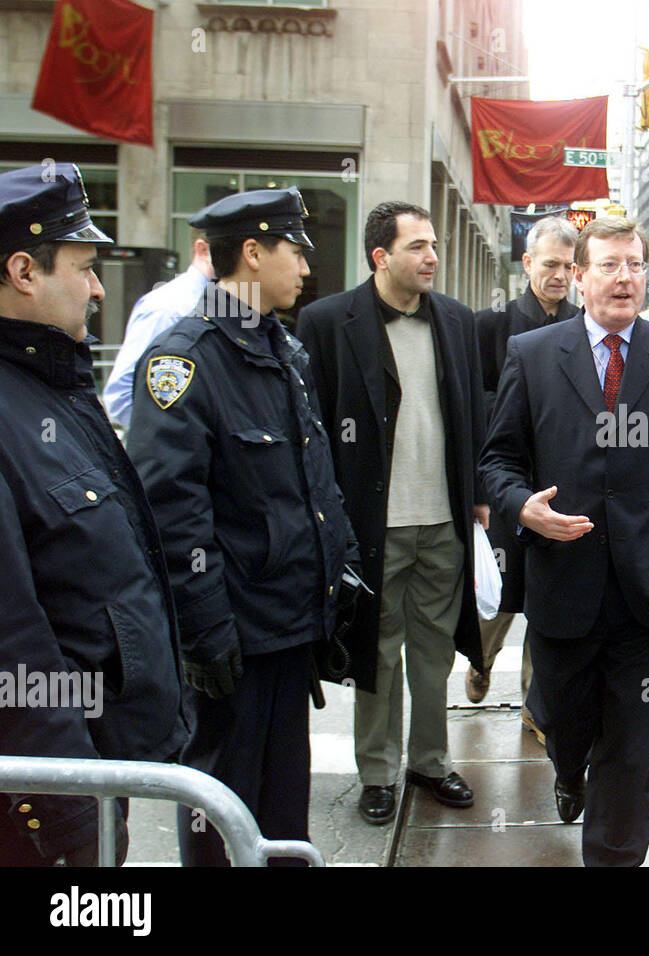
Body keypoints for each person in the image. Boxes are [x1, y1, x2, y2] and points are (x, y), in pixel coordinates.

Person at [479, 216, 649, 866]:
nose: (625, 277)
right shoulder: (533, 356)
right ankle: (565, 767)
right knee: (565, 721)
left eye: (635, 265)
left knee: (632, 748)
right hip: (563, 585)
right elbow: (498, 460)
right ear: (579, 278)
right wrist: (520, 507)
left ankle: (612, 855)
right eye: (609, 265)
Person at [127, 187, 357, 865]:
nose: (306, 270)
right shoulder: (184, 359)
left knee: (284, 805)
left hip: (287, 622)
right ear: (251, 254)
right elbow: (170, 510)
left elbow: (311, 476)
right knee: (221, 808)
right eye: (294, 251)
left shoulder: (279, 347)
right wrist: (205, 631)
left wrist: (337, 571)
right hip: (233, 634)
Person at [0, 164, 186, 866]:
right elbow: (12, 641)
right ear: (24, 270)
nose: (101, 286)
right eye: (84, 266)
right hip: (45, 803)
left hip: (95, 769)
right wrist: (66, 811)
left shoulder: (53, 386)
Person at [296, 201, 486, 826]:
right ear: (380, 257)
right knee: (376, 651)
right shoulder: (326, 322)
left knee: (434, 653)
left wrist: (478, 498)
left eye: (434, 245)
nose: (432, 257)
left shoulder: (457, 322)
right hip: (371, 524)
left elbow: (474, 418)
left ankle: (429, 762)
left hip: (443, 522)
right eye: (418, 247)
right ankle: (376, 773)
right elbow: (313, 429)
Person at [468, 215, 580, 746]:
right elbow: (474, 412)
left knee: (550, 602)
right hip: (508, 486)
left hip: (562, 487)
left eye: (567, 265)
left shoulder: (585, 323)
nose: (558, 275)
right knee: (502, 594)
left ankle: (539, 708)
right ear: (528, 263)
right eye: (549, 264)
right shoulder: (491, 326)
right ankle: (480, 659)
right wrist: (479, 493)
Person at [102, 232, 213, 428]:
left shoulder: (223, 302)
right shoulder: (170, 307)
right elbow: (121, 397)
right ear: (203, 250)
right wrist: (171, 442)